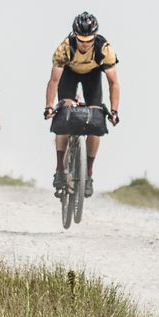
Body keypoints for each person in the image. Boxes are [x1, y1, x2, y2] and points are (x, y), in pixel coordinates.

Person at [44, 11, 120, 198]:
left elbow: (113, 82)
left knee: (96, 122)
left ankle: (88, 174)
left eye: (89, 40)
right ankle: (60, 168)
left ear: (95, 36)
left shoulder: (104, 49)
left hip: (92, 76)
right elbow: (54, 81)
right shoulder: (64, 48)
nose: (85, 44)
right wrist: (49, 106)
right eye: (81, 40)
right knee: (63, 116)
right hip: (69, 75)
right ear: (74, 35)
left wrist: (114, 110)